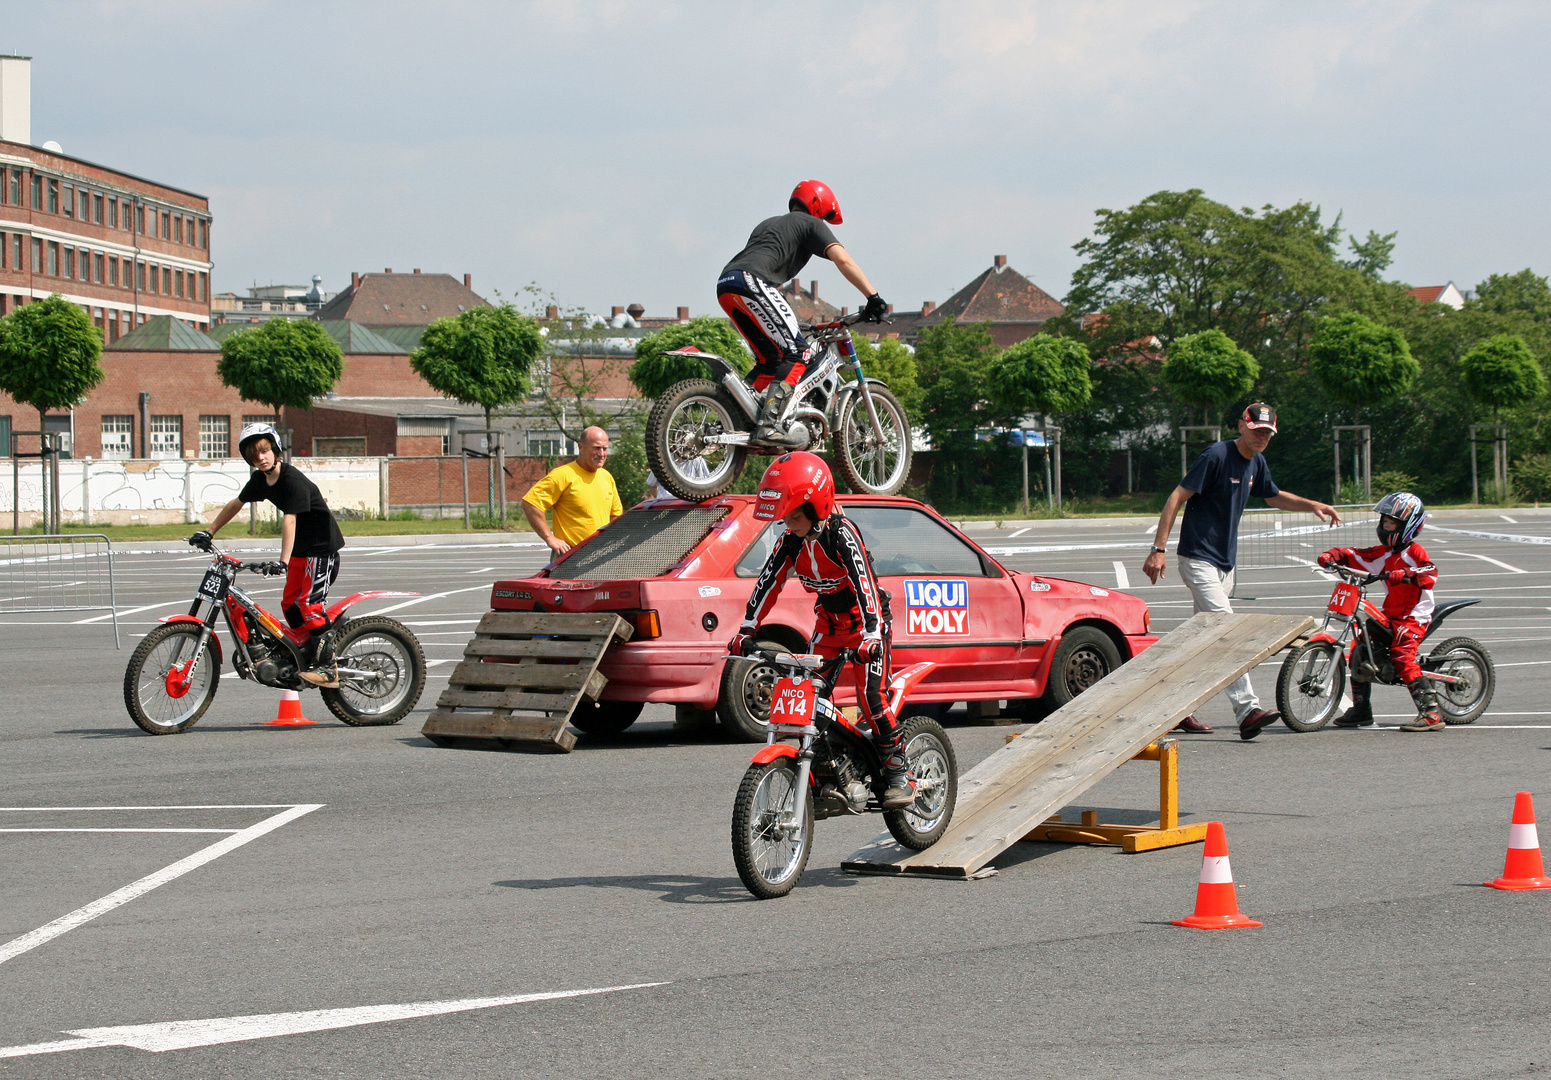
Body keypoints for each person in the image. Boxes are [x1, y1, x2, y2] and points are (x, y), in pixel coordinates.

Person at [1142, 403, 1342, 739]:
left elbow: (1273, 496)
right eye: (1256, 430)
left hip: (1224, 565)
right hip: (1198, 559)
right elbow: (1177, 496)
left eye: (1267, 432)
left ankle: (1179, 709)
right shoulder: (1216, 456)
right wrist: (1158, 549)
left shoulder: (1257, 462)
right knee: (1229, 632)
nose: (1261, 437)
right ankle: (1247, 710)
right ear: (1241, 426)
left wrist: (1313, 505)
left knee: (1201, 642)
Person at [729, 452, 914, 808]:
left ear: (817, 506)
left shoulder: (842, 534)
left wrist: (873, 634)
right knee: (808, 696)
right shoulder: (791, 541)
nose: (789, 522)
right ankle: (829, 766)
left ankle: (897, 772)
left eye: (795, 515)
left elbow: (865, 584)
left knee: (871, 698)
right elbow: (768, 583)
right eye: (785, 517)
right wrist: (747, 627)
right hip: (827, 625)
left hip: (866, 623)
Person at [719, 180, 889, 441]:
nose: (824, 222)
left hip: (727, 284)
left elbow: (769, 269)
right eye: (825, 217)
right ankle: (770, 424)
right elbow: (842, 259)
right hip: (753, 281)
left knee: (771, 361)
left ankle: (734, 416)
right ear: (818, 207)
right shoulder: (811, 224)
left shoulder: (767, 224)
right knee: (799, 352)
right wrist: (873, 297)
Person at [192, 423, 347, 688]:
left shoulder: (292, 481)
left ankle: (328, 667)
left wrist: (282, 561)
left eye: (264, 451)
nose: (261, 458)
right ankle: (308, 650)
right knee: (289, 604)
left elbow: (290, 521)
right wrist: (209, 531)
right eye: (254, 456)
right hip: (301, 550)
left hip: (321, 549)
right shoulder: (261, 480)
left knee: (309, 606)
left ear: (275, 450)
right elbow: (236, 503)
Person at [1318, 492, 1442, 732]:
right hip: (1392, 613)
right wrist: (1331, 556)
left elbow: (1430, 572)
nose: (1385, 527)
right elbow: (1356, 555)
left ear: (1408, 525)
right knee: (1359, 649)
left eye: (1391, 523)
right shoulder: (1384, 553)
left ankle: (1431, 712)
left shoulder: (1414, 552)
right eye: (1384, 522)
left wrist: (1407, 574)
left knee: (1403, 655)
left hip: (1414, 616)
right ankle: (1361, 710)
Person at [521, 426, 623, 558]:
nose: (602, 454)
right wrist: (550, 538)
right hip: (570, 557)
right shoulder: (563, 475)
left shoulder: (606, 477)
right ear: (581, 447)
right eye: (596, 448)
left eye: (605, 449)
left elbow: (615, 515)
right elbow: (530, 504)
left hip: (600, 555)